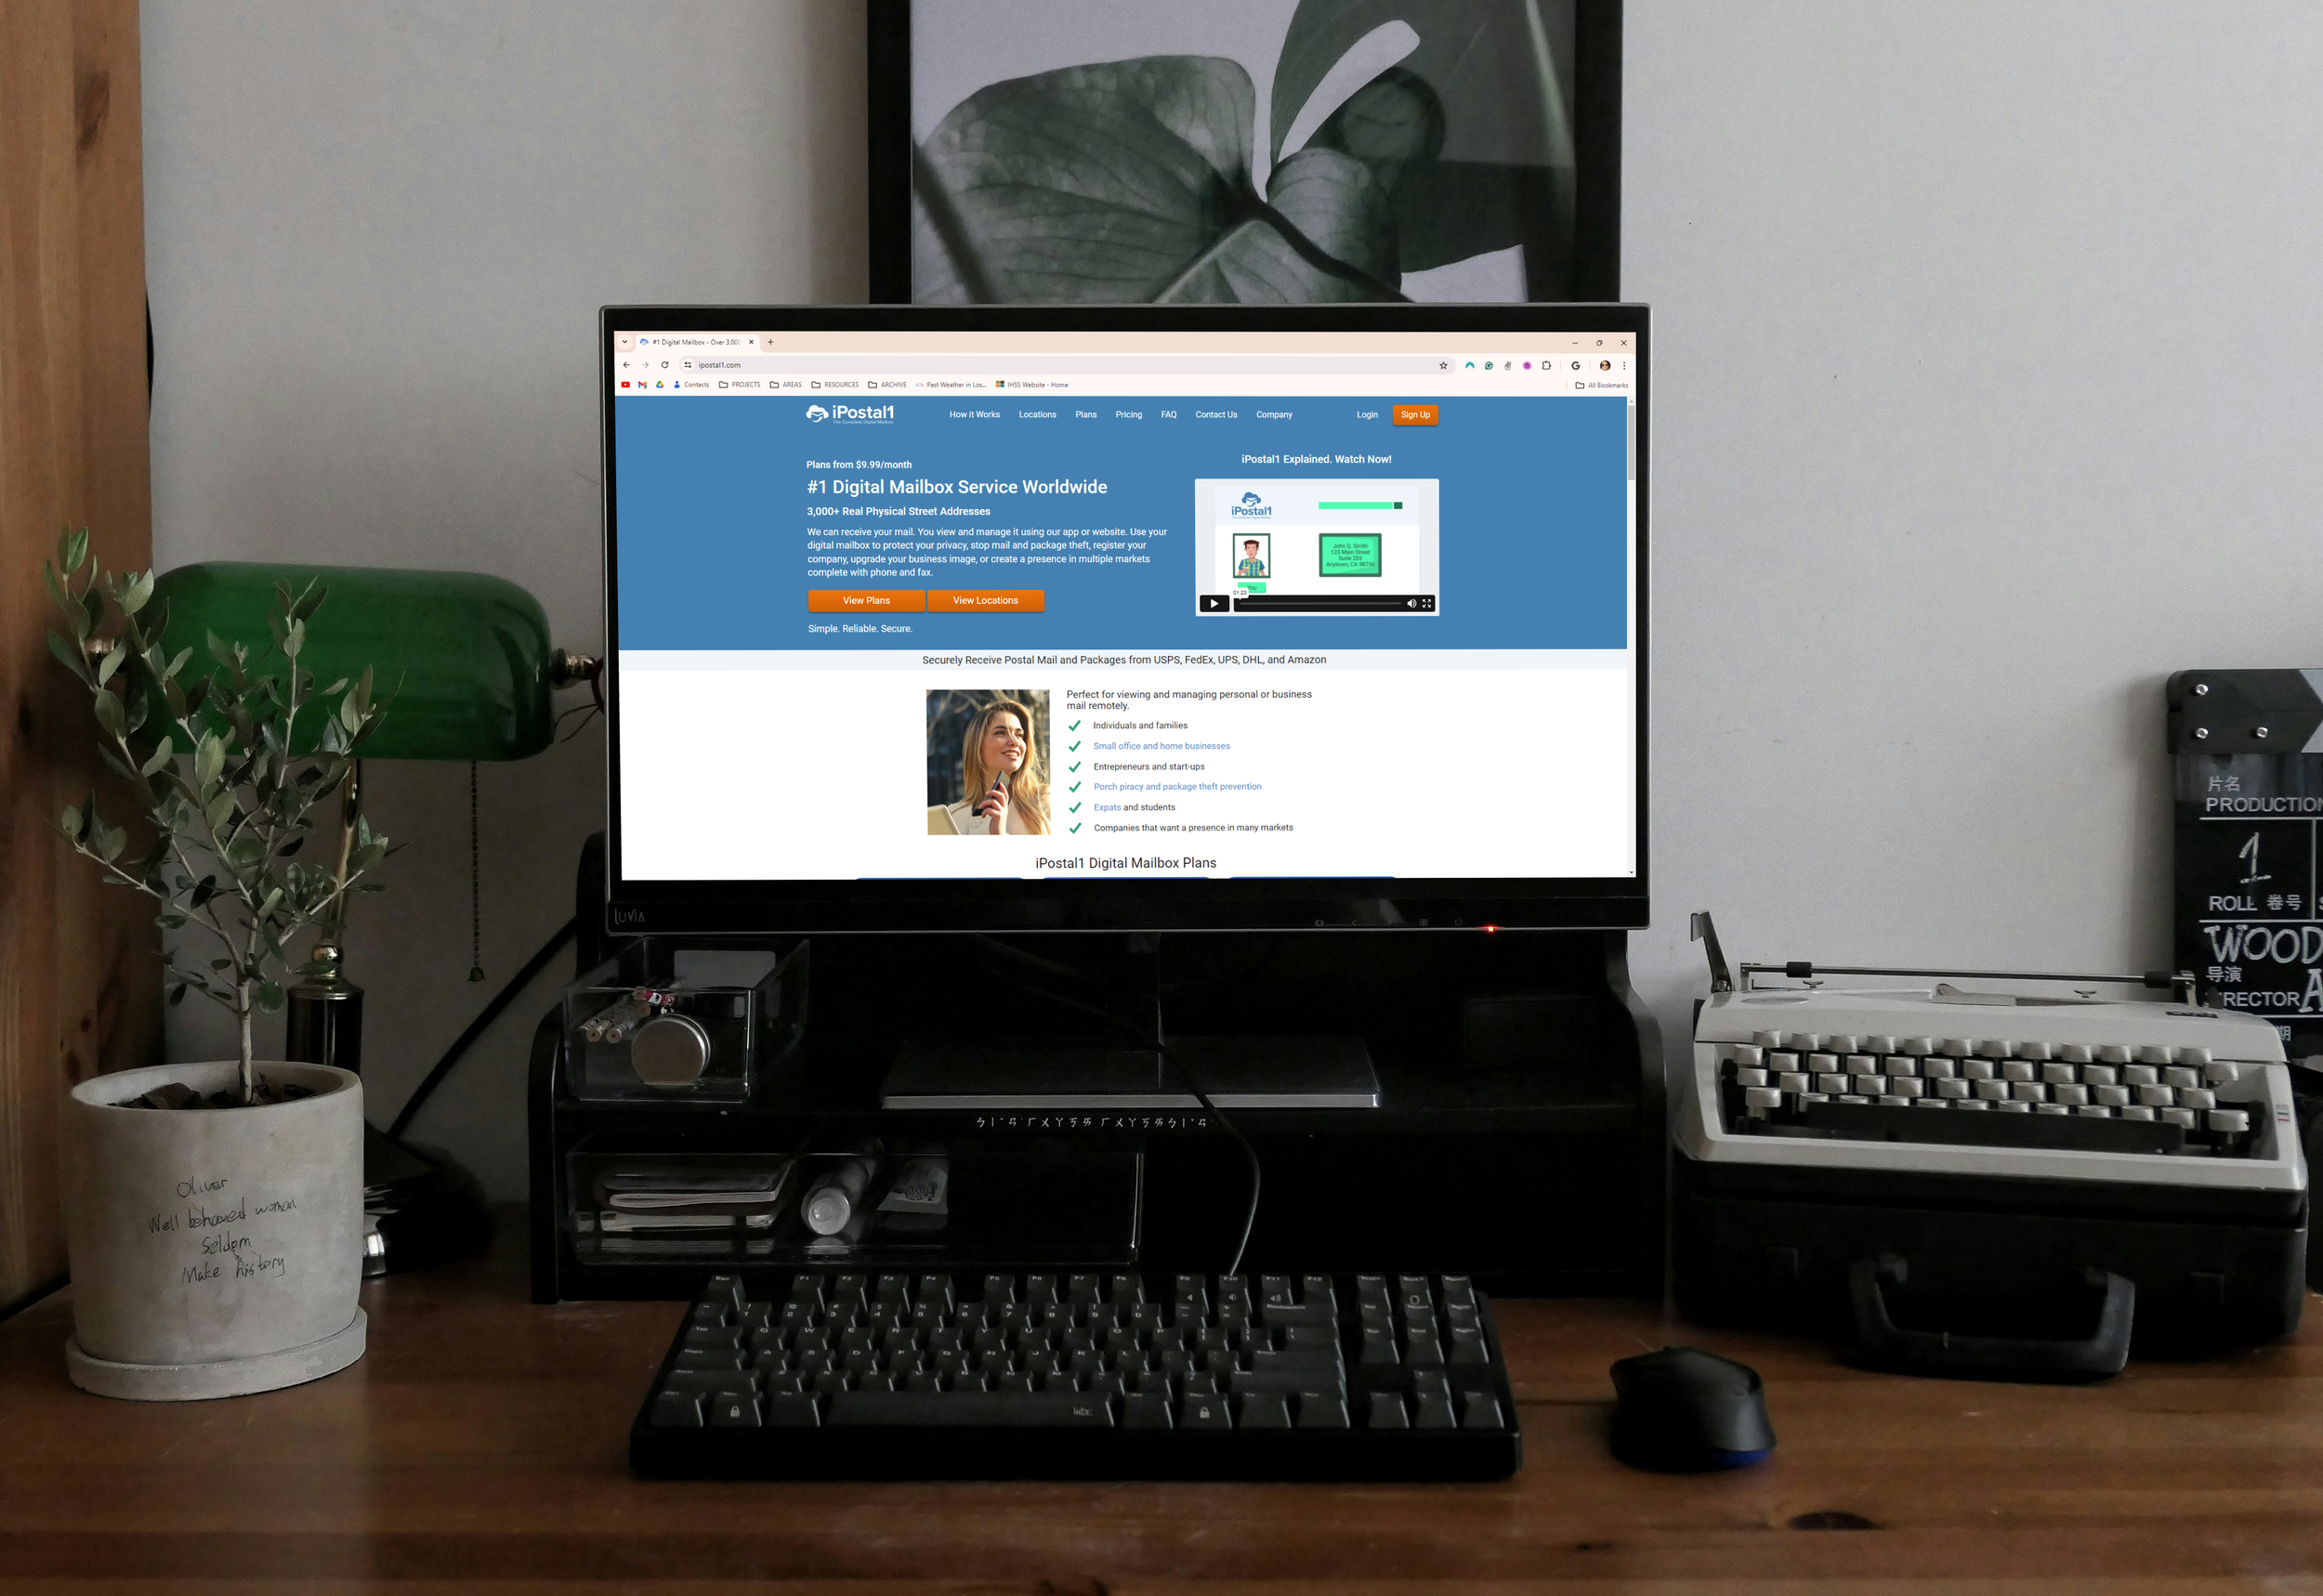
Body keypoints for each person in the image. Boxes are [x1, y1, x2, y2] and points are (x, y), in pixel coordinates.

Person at [928, 698, 1050, 835]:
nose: (1015, 741)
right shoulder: (952, 815)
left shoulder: (1045, 801)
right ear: (977, 746)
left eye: (1019, 735)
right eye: (1000, 732)